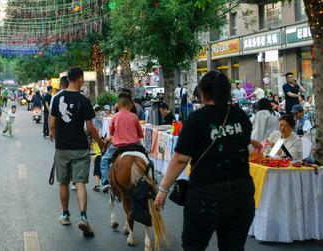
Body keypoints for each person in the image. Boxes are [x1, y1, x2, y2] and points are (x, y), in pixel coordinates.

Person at [154, 70, 255, 251]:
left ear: (203, 92)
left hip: (206, 194)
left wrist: (163, 189)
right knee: (234, 247)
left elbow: (180, 158)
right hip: (242, 192)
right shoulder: (241, 116)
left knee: (194, 245)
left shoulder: (196, 119)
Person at [49, 67, 105, 238]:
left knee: (63, 182)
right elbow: (90, 127)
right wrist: (101, 143)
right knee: (80, 182)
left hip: (62, 148)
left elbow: (52, 122)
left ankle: (65, 214)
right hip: (80, 148)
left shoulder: (57, 98)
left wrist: (54, 133)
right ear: (80, 79)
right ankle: (83, 216)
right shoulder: (84, 100)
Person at [100, 94, 145, 192]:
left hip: (118, 146)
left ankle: (105, 182)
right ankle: (152, 181)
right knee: (149, 161)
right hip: (135, 145)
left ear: (118, 106)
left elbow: (111, 132)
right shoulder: (134, 117)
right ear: (131, 106)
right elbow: (141, 134)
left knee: (104, 160)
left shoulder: (115, 116)